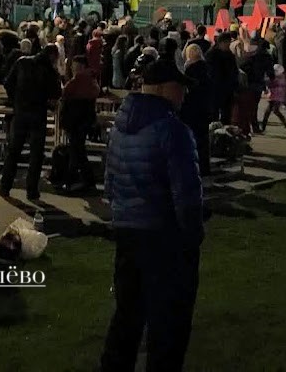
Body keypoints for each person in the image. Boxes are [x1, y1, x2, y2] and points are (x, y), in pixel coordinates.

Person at [99, 56, 203, 372]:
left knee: (127, 316)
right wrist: (192, 238)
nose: (184, 94)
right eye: (179, 87)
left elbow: (110, 182)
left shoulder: (120, 126)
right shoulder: (173, 131)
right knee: (167, 326)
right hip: (163, 236)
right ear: (162, 88)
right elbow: (186, 193)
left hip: (127, 232)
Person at [0, 43, 62, 200]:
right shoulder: (49, 71)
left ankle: (4, 186)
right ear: (53, 56)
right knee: (36, 153)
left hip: (20, 112)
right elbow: (56, 93)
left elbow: (8, 83)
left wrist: (15, 100)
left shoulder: (22, 62)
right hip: (38, 114)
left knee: (14, 151)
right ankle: (32, 190)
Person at [58, 56, 102, 192]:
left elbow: (65, 94)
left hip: (75, 120)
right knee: (77, 149)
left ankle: (78, 180)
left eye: (76, 67)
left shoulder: (78, 81)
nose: (74, 69)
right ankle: (76, 180)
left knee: (77, 150)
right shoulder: (90, 80)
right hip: (83, 119)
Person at [180, 43, 213, 178]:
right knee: (203, 139)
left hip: (192, 109)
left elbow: (187, 91)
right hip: (204, 108)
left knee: (192, 139)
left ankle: (194, 167)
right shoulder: (207, 69)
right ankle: (205, 167)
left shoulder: (190, 70)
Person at [205, 32, 239, 125]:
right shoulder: (211, 55)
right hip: (215, 89)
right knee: (214, 115)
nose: (229, 45)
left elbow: (234, 72)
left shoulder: (229, 55)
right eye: (228, 43)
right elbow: (210, 73)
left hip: (227, 90)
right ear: (222, 42)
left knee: (226, 115)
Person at [260, 63, 286, 130]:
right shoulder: (282, 78)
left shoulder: (278, 79)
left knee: (270, 111)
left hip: (275, 97)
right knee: (274, 110)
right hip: (276, 96)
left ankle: (264, 125)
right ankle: (284, 122)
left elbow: (270, 84)